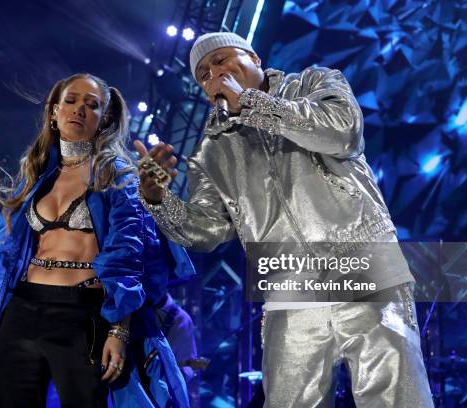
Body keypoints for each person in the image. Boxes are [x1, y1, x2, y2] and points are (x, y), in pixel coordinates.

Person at [134, 32, 434, 407]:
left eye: (223, 60)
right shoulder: (212, 151)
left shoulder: (314, 83)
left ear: (255, 58)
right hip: (286, 283)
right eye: (203, 74)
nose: (214, 74)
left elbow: (343, 132)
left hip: (364, 264)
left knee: (396, 398)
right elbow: (209, 230)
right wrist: (157, 197)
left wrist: (251, 105)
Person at [0, 73, 191, 408]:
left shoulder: (119, 175)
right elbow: (5, 255)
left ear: (105, 118)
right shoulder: (36, 174)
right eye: (70, 101)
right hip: (22, 310)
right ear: (53, 111)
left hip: (83, 314)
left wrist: (119, 330)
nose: (79, 110)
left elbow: (129, 258)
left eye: (91, 104)